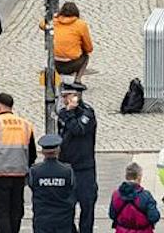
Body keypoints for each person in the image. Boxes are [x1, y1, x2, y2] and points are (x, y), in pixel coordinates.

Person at [0, 92, 35, 233]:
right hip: (19, 175)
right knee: (16, 211)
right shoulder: (25, 124)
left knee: (1, 212)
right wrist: (24, 166)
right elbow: (32, 153)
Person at [56, 81, 100, 233]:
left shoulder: (87, 113)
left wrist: (70, 114)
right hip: (67, 166)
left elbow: (79, 130)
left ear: (76, 97)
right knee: (66, 207)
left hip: (85, 167)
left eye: (66, 96)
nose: (63, 100)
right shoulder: (62, 113)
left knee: (87, 205)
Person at [28, 130, 78, 233]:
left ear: (42, 152)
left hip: (43, 219)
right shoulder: (67, 171)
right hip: (63, 219)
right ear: (58, 150)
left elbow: (32, 187)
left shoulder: (35, 171)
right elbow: (72, 190)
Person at [107, 163, 162, 231]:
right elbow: (154, 217)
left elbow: (112, 215)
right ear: (138, 176)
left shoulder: (116, 195)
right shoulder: (145, 196)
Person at [52, 3, 95, 82]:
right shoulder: (81, 24)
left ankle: (55, 77)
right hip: (72, 64)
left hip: (55, 63)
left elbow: (42, 24)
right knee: (86, 57)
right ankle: (77, 80)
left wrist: (54, 16)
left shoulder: (54, 22)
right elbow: (89, 49)